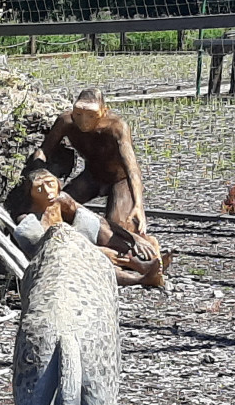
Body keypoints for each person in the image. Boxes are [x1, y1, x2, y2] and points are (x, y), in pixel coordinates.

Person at [33, 87, 165, 271]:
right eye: (78, 113)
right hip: (92, 176)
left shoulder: (117, 127)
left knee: (118, 231)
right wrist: (37, 169)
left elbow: (132, 168)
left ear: (104, 111)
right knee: (56, 207)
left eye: (91, 115)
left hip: (120, 180)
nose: (83, 121)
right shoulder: (66, 121)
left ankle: (144, 245)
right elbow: (44, 149)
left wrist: (138, 205)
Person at [16, 169, 166, 287]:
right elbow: (45, 250)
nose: (48, 191)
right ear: (30, 193)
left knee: (98, 225)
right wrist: (91, 250)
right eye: (39, 189)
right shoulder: (29, 219)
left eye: (50, 184)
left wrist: (134, 238)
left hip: (76, 237)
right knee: (97, 258)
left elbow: (96, 218)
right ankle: (140, 279)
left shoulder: (61, 200)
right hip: (63, 253)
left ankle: (143, 264)